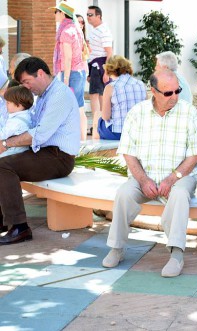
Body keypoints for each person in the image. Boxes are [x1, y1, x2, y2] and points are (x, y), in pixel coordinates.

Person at [102, 69, 197, 277]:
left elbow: (195, 154)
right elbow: (128, 153)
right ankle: (117, 248)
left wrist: (172, 178)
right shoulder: (137, 113)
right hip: (145, 175)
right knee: (124, 193)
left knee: (178, 194)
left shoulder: (189, 112)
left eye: (177, 91)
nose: (175, 97)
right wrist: (142, 179)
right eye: (168, 93)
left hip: (181, 176)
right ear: (153, 91)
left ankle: (176, 253)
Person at [0, 57, 80, 244]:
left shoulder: (59, 94)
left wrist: (5, 144)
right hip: (44, 153)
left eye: (27, 82)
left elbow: (40, 134)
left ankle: (19, 227)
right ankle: (4, 221)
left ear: (41, 74)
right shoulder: (44, 95)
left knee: (3, 167)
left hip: (59, 158)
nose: (26, 87)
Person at [50, 2, 87, 141]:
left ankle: (77, 140)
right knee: (80, 106)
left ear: (62, 13)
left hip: (71, 73)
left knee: (73, 107)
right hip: (80, 71)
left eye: (56, 12)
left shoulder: (66, 32)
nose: (54, 15)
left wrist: (65, 79)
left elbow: (68, 57)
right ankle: (82, 139)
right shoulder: (76, 29)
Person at [97, 55, 146, 140]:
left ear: (109, 70)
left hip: (118, 133)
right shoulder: (141, 84)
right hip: (138, 132)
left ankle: (97, 150)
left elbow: (105, 116)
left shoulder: (111, 87)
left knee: (98, 120)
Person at [87, 5, 113, 139]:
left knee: (97, 96)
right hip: (94, 66)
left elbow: (109, 52)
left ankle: (99, 126)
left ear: (99, 16)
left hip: (100, 66)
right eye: (87, 15)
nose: (88, 17)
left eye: (90, 15)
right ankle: (100, 126)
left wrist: (106, 72)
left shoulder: (104, 31)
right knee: (99, 96)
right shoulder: (94, 30)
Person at [0, 85, 33, 158]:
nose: (6, 105)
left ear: (19, 105)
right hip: (17, 152)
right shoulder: (25, 116)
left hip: (11, 153)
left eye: (8, 102)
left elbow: (2, 135)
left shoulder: (16, 122)